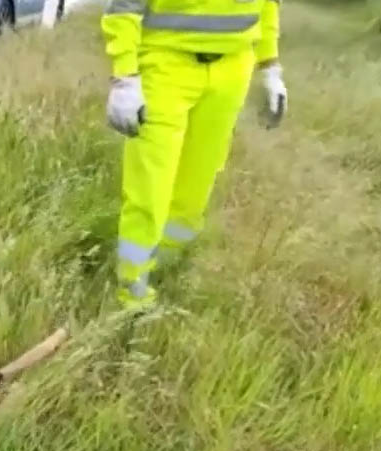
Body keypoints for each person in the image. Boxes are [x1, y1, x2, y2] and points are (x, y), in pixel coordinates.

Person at [101, 0, 287, 309]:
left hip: (233, 69)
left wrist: (270, 67)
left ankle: (165, 267)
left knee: (197, 185)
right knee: (150, 186)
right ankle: (132, 294)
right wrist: (125, 77)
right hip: (165, 65)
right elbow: (124, 7)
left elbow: (268, 4)